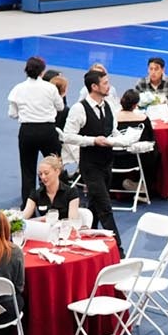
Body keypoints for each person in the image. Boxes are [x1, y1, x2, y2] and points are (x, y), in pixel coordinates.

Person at [59, 68, 123, 245]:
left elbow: (113, 131)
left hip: (107, 162)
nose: (108, 86)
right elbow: (67, 136)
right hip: (90, 164)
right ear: (94, 87)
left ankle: (85, 239)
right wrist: (93, 140)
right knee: (105, 207)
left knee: (94, 205)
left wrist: (126, 140)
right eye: (105, 83)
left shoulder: (108, 106)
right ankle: (119, 249)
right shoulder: (79, 109)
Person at [7, 56, 64, 203]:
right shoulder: (50, 88)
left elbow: (12, 113)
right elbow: (60, 107)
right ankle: (61, 201)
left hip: (27, 131)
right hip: (48, 130)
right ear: (42, 72)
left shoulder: (17, 89)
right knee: (56, 166)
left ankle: (28, 206)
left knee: (28, 171)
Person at [23, 155, 82, 224]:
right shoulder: (35, 194)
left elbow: (72, 222)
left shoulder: (71, 193)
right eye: (40, 174)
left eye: (46, 173)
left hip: (64, 231)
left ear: (57, 172)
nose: (43, 177)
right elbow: (24, 218)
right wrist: (41, 219)